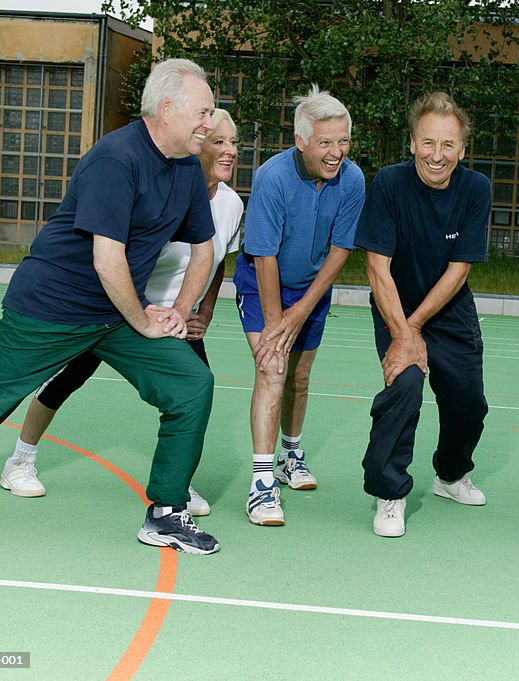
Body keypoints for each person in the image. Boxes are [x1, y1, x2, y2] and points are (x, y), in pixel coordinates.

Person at [0, 58, 222, 555]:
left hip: (116, 310)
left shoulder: (187, 167)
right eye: (204, 112)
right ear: (167, 109)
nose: (210, 123)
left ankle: (166, 513)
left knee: (191, 383)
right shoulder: (116, 158)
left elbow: (204, 249)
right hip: (50, 304)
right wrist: (145, 319)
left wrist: (178, 312)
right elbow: (108, 259)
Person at [0, 108, 245, 517]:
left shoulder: (232, 204)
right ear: (195, 143)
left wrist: (199, 312)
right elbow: (121, 257)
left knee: (193, 390)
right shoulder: (161, 188)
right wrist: (141, 312)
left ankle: (175, 488)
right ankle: (20, 459)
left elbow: (217, 261)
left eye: (234, 141)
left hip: (173, 318)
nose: (230, 150)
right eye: (219, 141)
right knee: (64, 380)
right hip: (120, 306)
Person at [355, 91, 492, 538]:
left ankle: (450, 476)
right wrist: (403, 332)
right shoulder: (389, 184)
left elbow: (460, 269)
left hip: (449, 310)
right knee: (406, 384)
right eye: (428, 143)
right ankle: (389, 491)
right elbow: (377, 267)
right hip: (395, 302)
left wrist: (416, 329)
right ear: (412, 143)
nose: (437, 155)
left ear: (462, 151)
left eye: (448, 145)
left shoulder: (475, 189)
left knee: (469, 404)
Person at [232, 84, 364, 526]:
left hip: (310, 288)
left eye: (343, 141)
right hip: (262, 280)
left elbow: (341, 251)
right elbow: (264, 255)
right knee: (273, 367)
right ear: (301, 141)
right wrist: (277, 325)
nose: (336, 152)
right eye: (325, 142)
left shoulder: (353, 180)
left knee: (300, 376)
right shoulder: (272, 178)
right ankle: (261, 482)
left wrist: (300, 311)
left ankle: (291, 455)